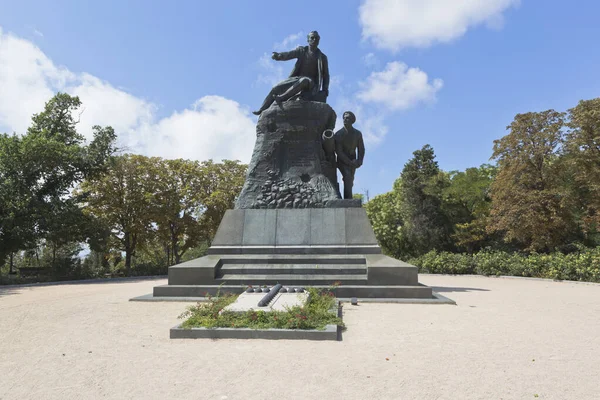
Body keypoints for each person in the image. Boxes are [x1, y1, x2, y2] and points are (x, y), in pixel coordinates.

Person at [253, 31, 330, 115]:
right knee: (276, 88)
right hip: (297, 79)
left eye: (317, 38)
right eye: (312, 38)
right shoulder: (302, 51)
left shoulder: (322, 57)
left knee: (304, 80)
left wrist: (325, 89)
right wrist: (279, 56)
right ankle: (262, 109)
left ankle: (282, 98)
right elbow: (289, 54)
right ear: (308, 39)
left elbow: (326, 75)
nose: (314, 39)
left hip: (311, 84)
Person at [334, 111, 365, 199]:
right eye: (344, 118)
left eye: (347, 118)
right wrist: (349, 162)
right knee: (347, 177)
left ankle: (348, 198)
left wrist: (359, 161)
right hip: (342, 160)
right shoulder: (339, 134)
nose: (345, 120)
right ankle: (348, 200)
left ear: (352, 120)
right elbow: (339, 152)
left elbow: (361, 149)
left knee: (350, 180)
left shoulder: (357, 134)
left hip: (353, 160)